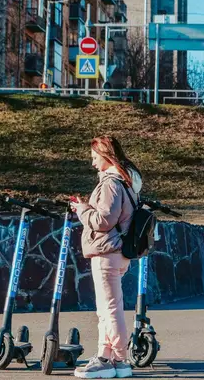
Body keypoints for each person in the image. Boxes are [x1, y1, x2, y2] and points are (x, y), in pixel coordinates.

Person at [70, 135, 143, 379]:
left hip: (107, 252)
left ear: (106, 155)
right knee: (106, 310)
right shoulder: (125, 182)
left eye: (94, 158)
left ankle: (120, 361)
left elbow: (103, 221)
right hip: (116, 251)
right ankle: (105, 357)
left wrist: (82, 210)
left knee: (111, 310)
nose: (92, 164)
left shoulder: (111, 183)